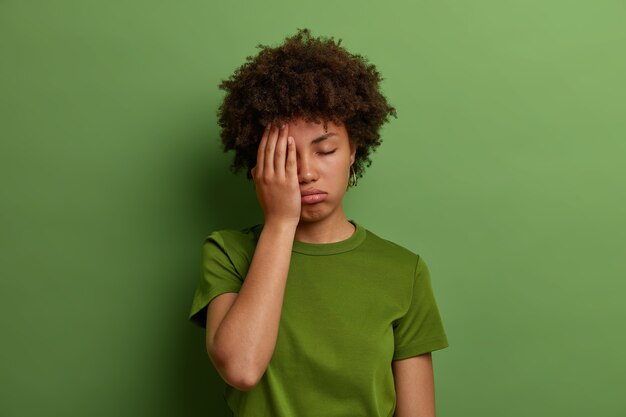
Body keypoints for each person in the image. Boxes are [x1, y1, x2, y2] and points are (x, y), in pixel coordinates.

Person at [188, 28, 449, 417]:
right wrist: (279, 223)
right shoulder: (229, 253)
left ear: (352, 151)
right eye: (286, 156)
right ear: (258, 162)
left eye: (325, 150)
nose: (306, 172)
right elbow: (241, 369)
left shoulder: (404, 271)